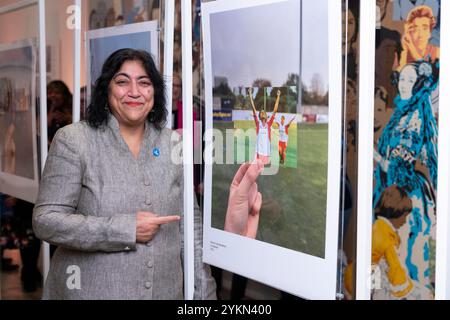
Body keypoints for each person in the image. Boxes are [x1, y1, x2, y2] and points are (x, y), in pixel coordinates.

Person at [32, 48, 217, 299]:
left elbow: (190, 227)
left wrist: (204, 293)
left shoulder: (173, 143)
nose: (134, 92)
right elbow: (46, 221)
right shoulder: (74, 140)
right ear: (106, 90)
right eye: (122, 82)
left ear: (154, 92)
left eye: (144, 82)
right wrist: (124, 229)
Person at [373, 60, 438, 299]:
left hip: (408, 194)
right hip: (394, 191)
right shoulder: (401, 112)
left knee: (409, 251)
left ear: (419, 83)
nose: (404, 84)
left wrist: (378, 158)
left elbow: (403, 158)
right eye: (402, 79)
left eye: (411, 80)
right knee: (391, 252)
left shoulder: (417, 114)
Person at [397, 5, 439, 70]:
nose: (420, 35)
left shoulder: (437, 52)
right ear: (410, 31)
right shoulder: (404, 50)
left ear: (430, 32)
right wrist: (404, 49)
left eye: (425, 28)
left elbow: (428, 72)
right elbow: (399, 74)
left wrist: (412, 48)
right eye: (415, 29)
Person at [248, 88, 281, 165]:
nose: (263, 113)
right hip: (258, 153)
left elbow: (275, 110)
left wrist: (278, 96)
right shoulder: (257, 123)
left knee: (262, 170)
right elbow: (253, 108)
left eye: (264, 112)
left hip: (266, 153)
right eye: (261, 113)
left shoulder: (269, 124)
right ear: (259, 116)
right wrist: (250, 95)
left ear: (266, 116)